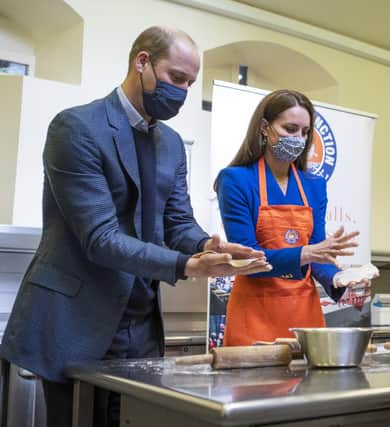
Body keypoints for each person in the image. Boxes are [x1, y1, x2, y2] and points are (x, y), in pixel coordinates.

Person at [0, 26, 271, 427]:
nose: (181, 91)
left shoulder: (172, 144)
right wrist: (186, 266)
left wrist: (206, 248)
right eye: (176, 78)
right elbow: (100, 239)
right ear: (141, 62)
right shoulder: (76, 129)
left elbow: (177, 220)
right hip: (76, 321)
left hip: (141, 327)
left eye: (190, 83)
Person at [214, 89, 366, 346]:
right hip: (254, 315)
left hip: (302, 317)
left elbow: (317, 256)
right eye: (290, 129)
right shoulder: (236, 180)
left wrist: (339, 279)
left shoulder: (313, 185)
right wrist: (305, 253)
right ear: (265, 127)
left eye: (305, 132)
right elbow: (246, 257)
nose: (299, 138)